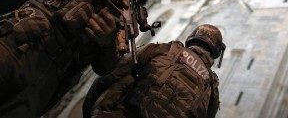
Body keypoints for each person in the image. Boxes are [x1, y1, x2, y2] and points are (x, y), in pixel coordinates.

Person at [0, 0, 164, 117]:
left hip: (49, 80)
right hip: (22, 43)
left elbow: (105, 68)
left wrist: (106, 42)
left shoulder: (131, 11)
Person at [83, 24, 225, 118]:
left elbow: (111, 75)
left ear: (192, 38)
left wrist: (89, 108)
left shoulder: (165, 49)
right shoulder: (212, 87)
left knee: (127, 76)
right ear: (216, 52)